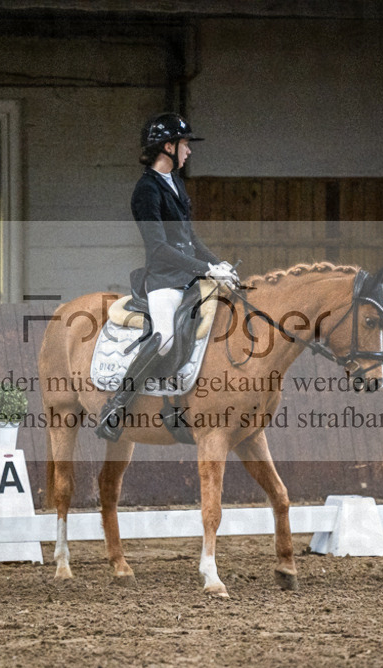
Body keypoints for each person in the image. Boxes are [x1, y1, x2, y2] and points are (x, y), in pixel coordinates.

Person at [95, 112, 238, 441]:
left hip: (189, 278)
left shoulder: (176, 181)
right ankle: (117, 407)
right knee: (164, 339)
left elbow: (190, 239)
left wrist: (219, 265)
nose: (189, 151)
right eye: (185, 145)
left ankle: (176, 403)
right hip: (163, 280)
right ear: (168, 147)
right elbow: (158, 248)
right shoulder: (146, 190)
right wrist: (205, 269)